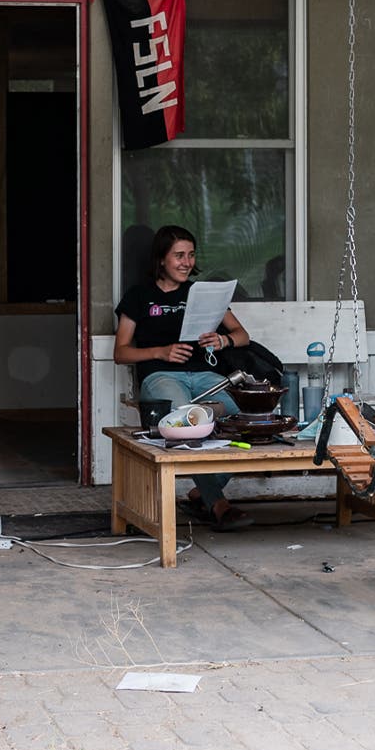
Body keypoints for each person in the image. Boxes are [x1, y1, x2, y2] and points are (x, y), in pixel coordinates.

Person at [113, 225, 253, 530]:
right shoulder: (140, 295)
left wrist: (222, 341)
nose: (186, 262)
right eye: (178, 255)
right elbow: (121, 352)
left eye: (190, 255)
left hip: (205, 376)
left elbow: (242, 335)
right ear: (161, 259)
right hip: (162, 377)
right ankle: (218, 504)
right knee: (189, 421)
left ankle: (202, 491)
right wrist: (160, 352)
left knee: (245, 416)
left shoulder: (198, 293)